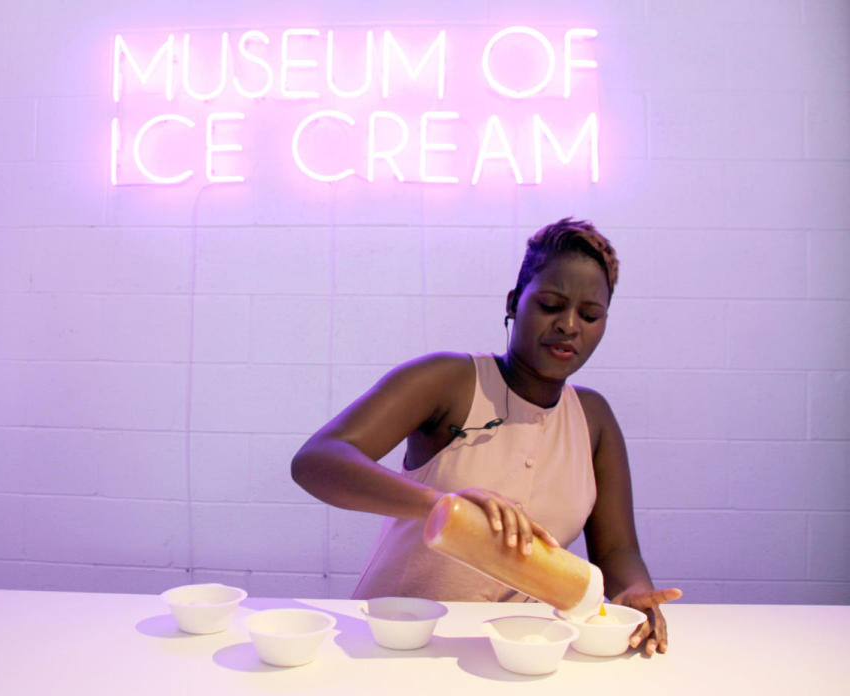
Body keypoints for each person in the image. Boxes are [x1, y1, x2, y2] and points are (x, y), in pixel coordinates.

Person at [291, 217, 681, 656]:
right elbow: (317, 460)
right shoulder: (449, 380)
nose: (570, 325)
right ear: (515, 302)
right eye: (552, 305)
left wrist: (633, 592)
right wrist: (441, 504)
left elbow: (617, 547)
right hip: (392, 644)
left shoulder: (594, 418)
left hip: (512, 653)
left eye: (590, 315)